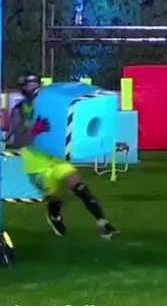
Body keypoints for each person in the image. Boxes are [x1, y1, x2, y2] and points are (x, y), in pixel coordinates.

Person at [8, 74, 118, 239]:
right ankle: (54, 215)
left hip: (56, 158)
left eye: (35, 85)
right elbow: (17, 141)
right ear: (22, 89)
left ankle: (104, 224)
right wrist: (34, 131)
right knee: (54, 198)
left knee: (80, 187)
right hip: (36, 164)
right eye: (29, 86)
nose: (33, 89)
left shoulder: (51, 104)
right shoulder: (19, 111)